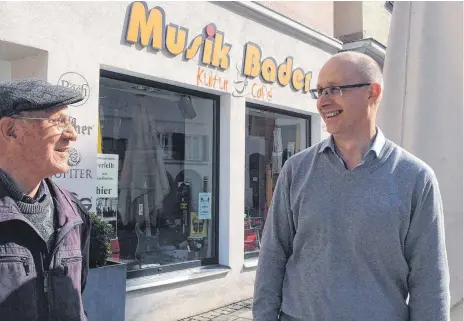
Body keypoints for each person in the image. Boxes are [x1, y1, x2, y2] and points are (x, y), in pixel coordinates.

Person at [252, 52, 450, 321]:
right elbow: (273, 256)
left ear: (373, 93)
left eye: (334, 89)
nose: (323, 101)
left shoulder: (416, 178)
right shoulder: (296, 170)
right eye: (319, 91)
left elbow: (429, 280)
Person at [0, 79, 91, 320]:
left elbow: (78, 298)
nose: (72, 135)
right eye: (59, 122)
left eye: (70, 123)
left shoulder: (74, 213)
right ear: (10, 130)